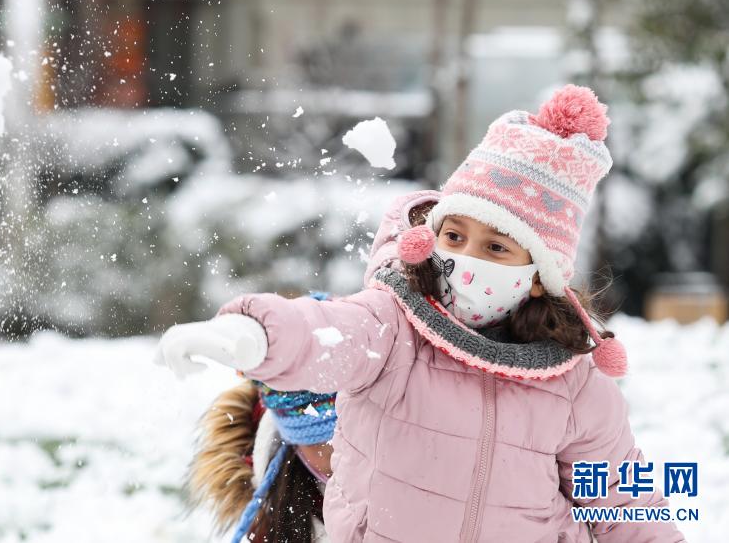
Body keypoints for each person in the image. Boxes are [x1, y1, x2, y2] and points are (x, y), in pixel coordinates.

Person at [157, 85, 686, 542]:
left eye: (497, 248)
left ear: (537, 276)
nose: (468, 260)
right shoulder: (392, 327)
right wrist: (254, 333)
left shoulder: (572, 381)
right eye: (454, 236)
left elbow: (622, 501)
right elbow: (325, 334)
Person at [185, 292, 336, 543]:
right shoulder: (278, 509)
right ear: (294, 443)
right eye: (320, 443)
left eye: (351, 435)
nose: (337, 453)